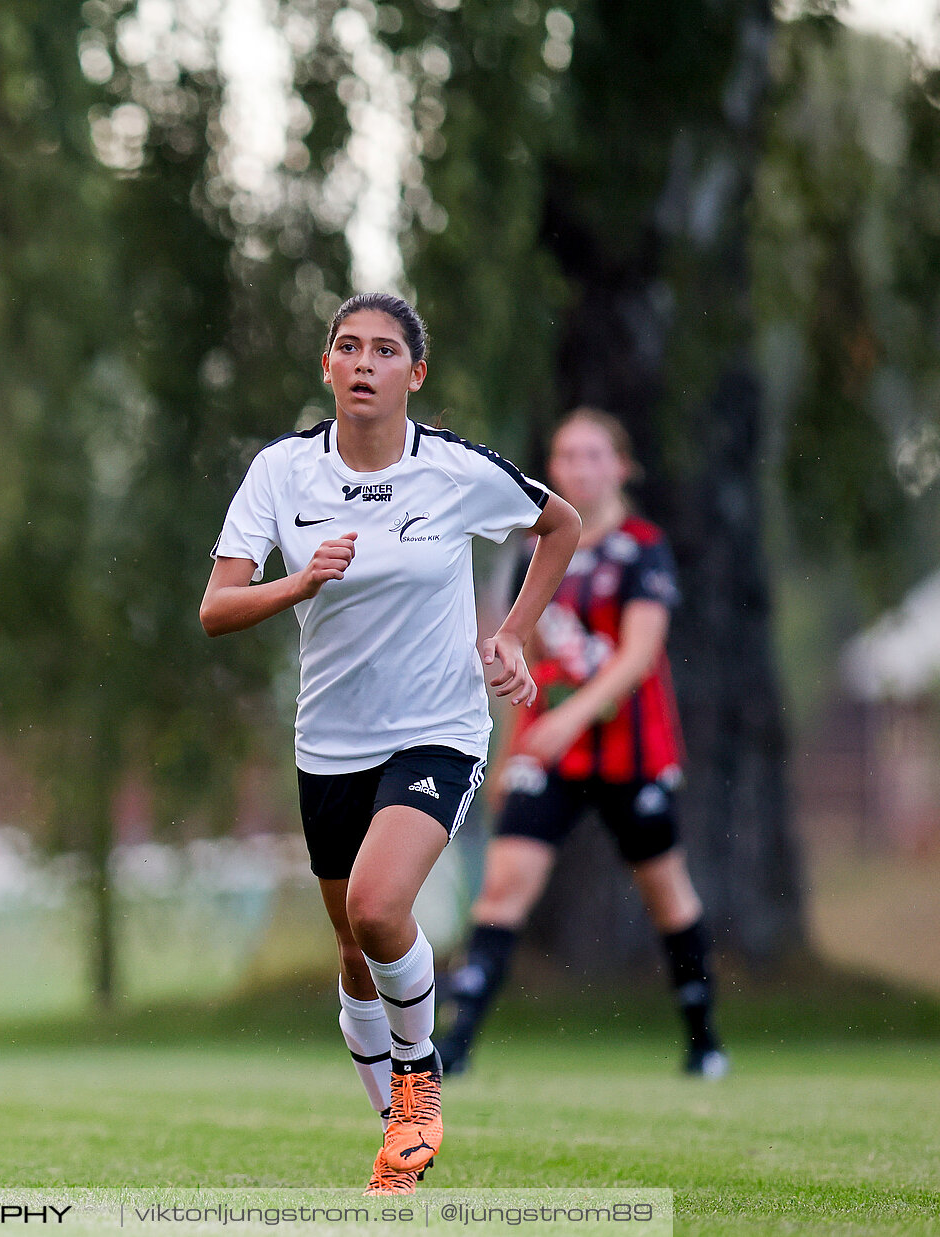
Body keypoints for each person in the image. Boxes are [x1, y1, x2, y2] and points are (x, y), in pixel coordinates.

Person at [200, 293, 580, 1195]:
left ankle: (419, 1084)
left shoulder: (453, 471)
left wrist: (515, 633)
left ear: (415, 374)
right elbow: (217, 609)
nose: (363, 363)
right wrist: (300, 582)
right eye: (346, 347)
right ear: (326, 369)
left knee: (378, 910)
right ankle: (397, 1139)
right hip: (330, 744)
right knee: (351, 952)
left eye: (382, 350)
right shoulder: (281, 473)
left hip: (437, 731)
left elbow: (559, 525)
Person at [436, 409, 727, 1080]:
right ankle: (459, 1044)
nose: (578, 467)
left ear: (621, 467)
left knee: (666, 892)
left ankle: (704, 1041)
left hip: (633, 750)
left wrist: (572, 717)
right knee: (504, 886)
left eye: (594, 455)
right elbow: (523, 661)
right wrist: (510, 756)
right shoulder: (536, 555)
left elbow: (638, 657)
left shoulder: (643, 547)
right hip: (551, 755)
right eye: (566, 456)